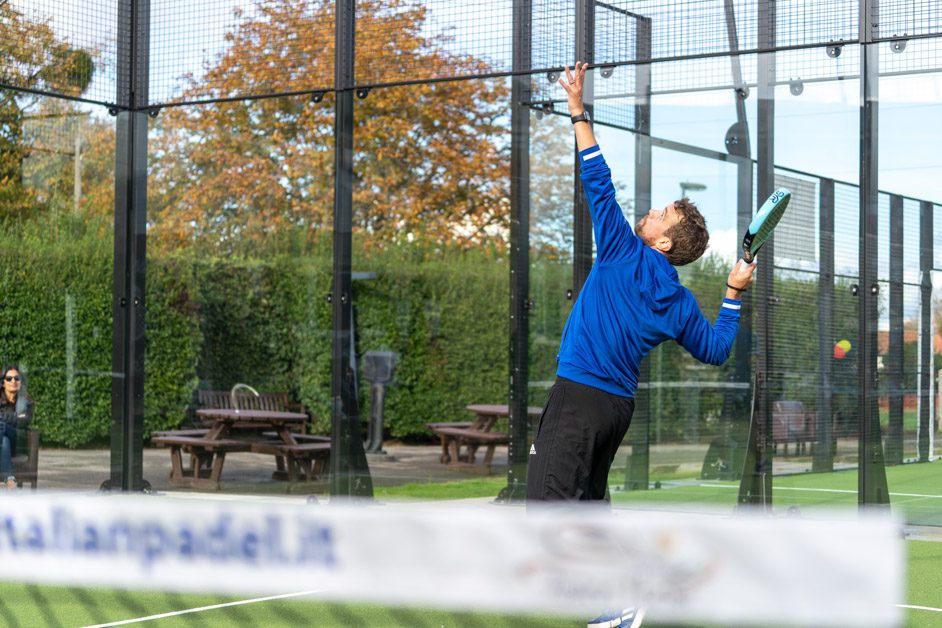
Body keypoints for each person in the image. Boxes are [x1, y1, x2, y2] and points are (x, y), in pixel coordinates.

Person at [526, 63, 756, 627]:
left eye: (663, 213)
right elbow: (717, 348)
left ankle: (619, 598)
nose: (651, 210)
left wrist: (578, 108)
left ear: (664, 238)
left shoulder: (624, 250)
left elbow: (596, 178)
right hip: (615, 410)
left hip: (580, 398)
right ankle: (613, 608)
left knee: (545, 511)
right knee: (587, 510)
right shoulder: (677, 300)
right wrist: (732, 290)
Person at [0, 365, 33, 489]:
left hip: (17, 441)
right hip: (3, 442)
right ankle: (10, 480)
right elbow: (17, 419)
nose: (13, 381)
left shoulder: (26, 402)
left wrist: (3, 418)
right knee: (4, 440)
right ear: (3, 383)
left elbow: (22, 422)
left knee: (1, 426)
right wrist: (13, 418)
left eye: (16, 378)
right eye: (9, 378)